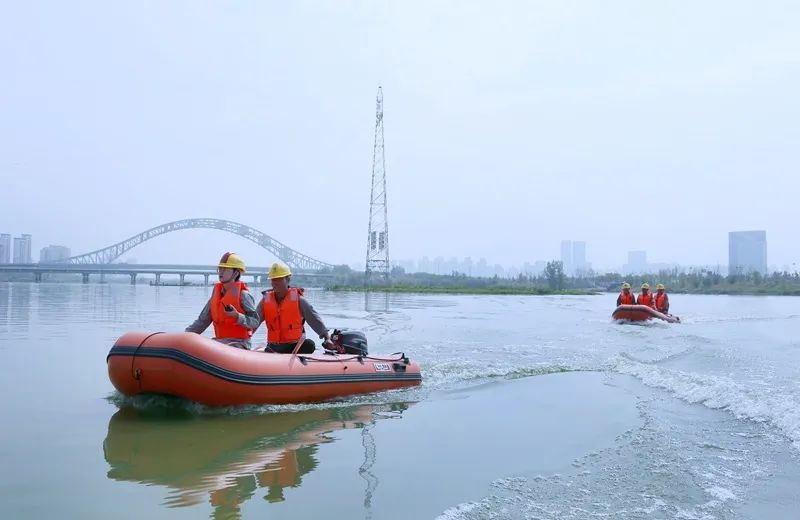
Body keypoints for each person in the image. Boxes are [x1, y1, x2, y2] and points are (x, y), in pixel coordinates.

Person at [255, 262, 336, 354]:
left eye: (279, 279)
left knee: (310, 344)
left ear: (287, 280)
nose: (275, 283)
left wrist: (327, 338)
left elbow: (315, 319)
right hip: (274, 347)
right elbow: (253, 321)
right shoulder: (265, 301)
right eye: (273, 279)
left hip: (294, 346)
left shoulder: (300, 301)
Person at [185, 252, 260, 349]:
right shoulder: (216, 295)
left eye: (225, 269)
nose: (221, 272)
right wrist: (185, 336)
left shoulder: (243, 296)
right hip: (220, 343)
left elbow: (255, 322)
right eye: (220, 269)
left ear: (236, 273)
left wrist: (237, 316)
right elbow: (202, 322)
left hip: (239, 344)